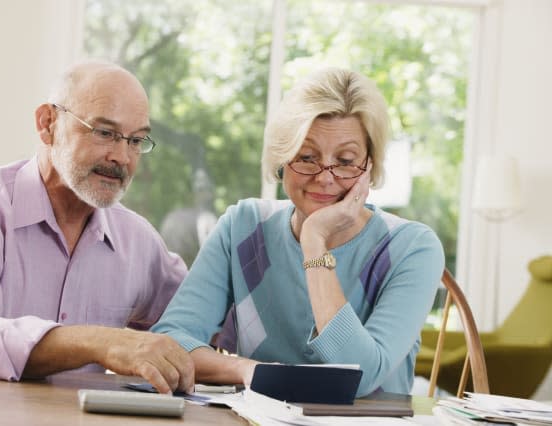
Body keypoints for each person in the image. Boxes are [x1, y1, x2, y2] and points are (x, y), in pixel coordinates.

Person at [152, 67, 445, 397]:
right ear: (282, 158)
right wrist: (249, 371)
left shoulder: (412, 248)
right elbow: (171, 342)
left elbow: (359, 378)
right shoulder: (243, 227)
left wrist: (315, 242)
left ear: (370, 167)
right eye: (307, 157)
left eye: (346, 160)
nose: (324, 177)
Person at [0, 61, 194, 394]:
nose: (122, 157)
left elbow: (201, 318)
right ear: (48, 124)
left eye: (136, 141)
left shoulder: (138, 241)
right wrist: (102, 342)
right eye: (105, 133)